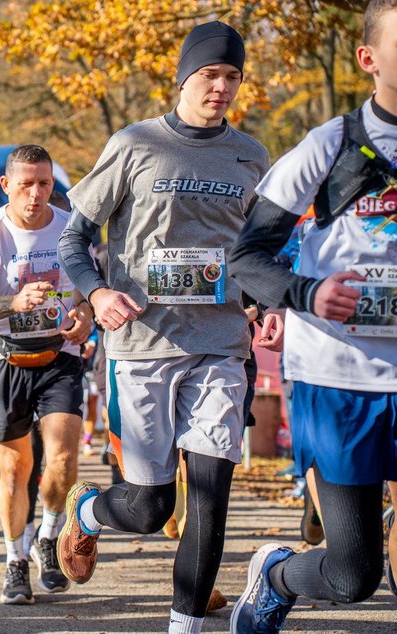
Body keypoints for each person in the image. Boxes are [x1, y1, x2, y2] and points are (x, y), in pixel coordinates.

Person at [57, 22, 269, 634]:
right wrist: (96, 293)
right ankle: (89, 511)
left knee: (208, 497)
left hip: (222, 346)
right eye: (210, 75)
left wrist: (264, 302)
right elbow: (76, 236)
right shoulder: (135, 145)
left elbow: (261, 250)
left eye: (232, 77)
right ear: (184, 77)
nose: (222, 87)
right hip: (142, 346)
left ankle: (186, 626)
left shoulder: (251, 156)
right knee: (151, 507)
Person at [228, 2, 397, 630]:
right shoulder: (330, 145)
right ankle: (275, 573)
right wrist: (308, 294)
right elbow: (247, 256)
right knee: (352, 575)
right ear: (369, 59)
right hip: (340, 379)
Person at [0, 144, 93, 605]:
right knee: (16, 469)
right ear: (6, 186)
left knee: (61, 459)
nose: (36, 194)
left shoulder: (70, 229)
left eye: (45, 184)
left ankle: (48, 539)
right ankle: (15, 561)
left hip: (59, 355)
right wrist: (12, 303)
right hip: (4, 359)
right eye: (26, 184)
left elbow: (88, 292)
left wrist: (85, 314)